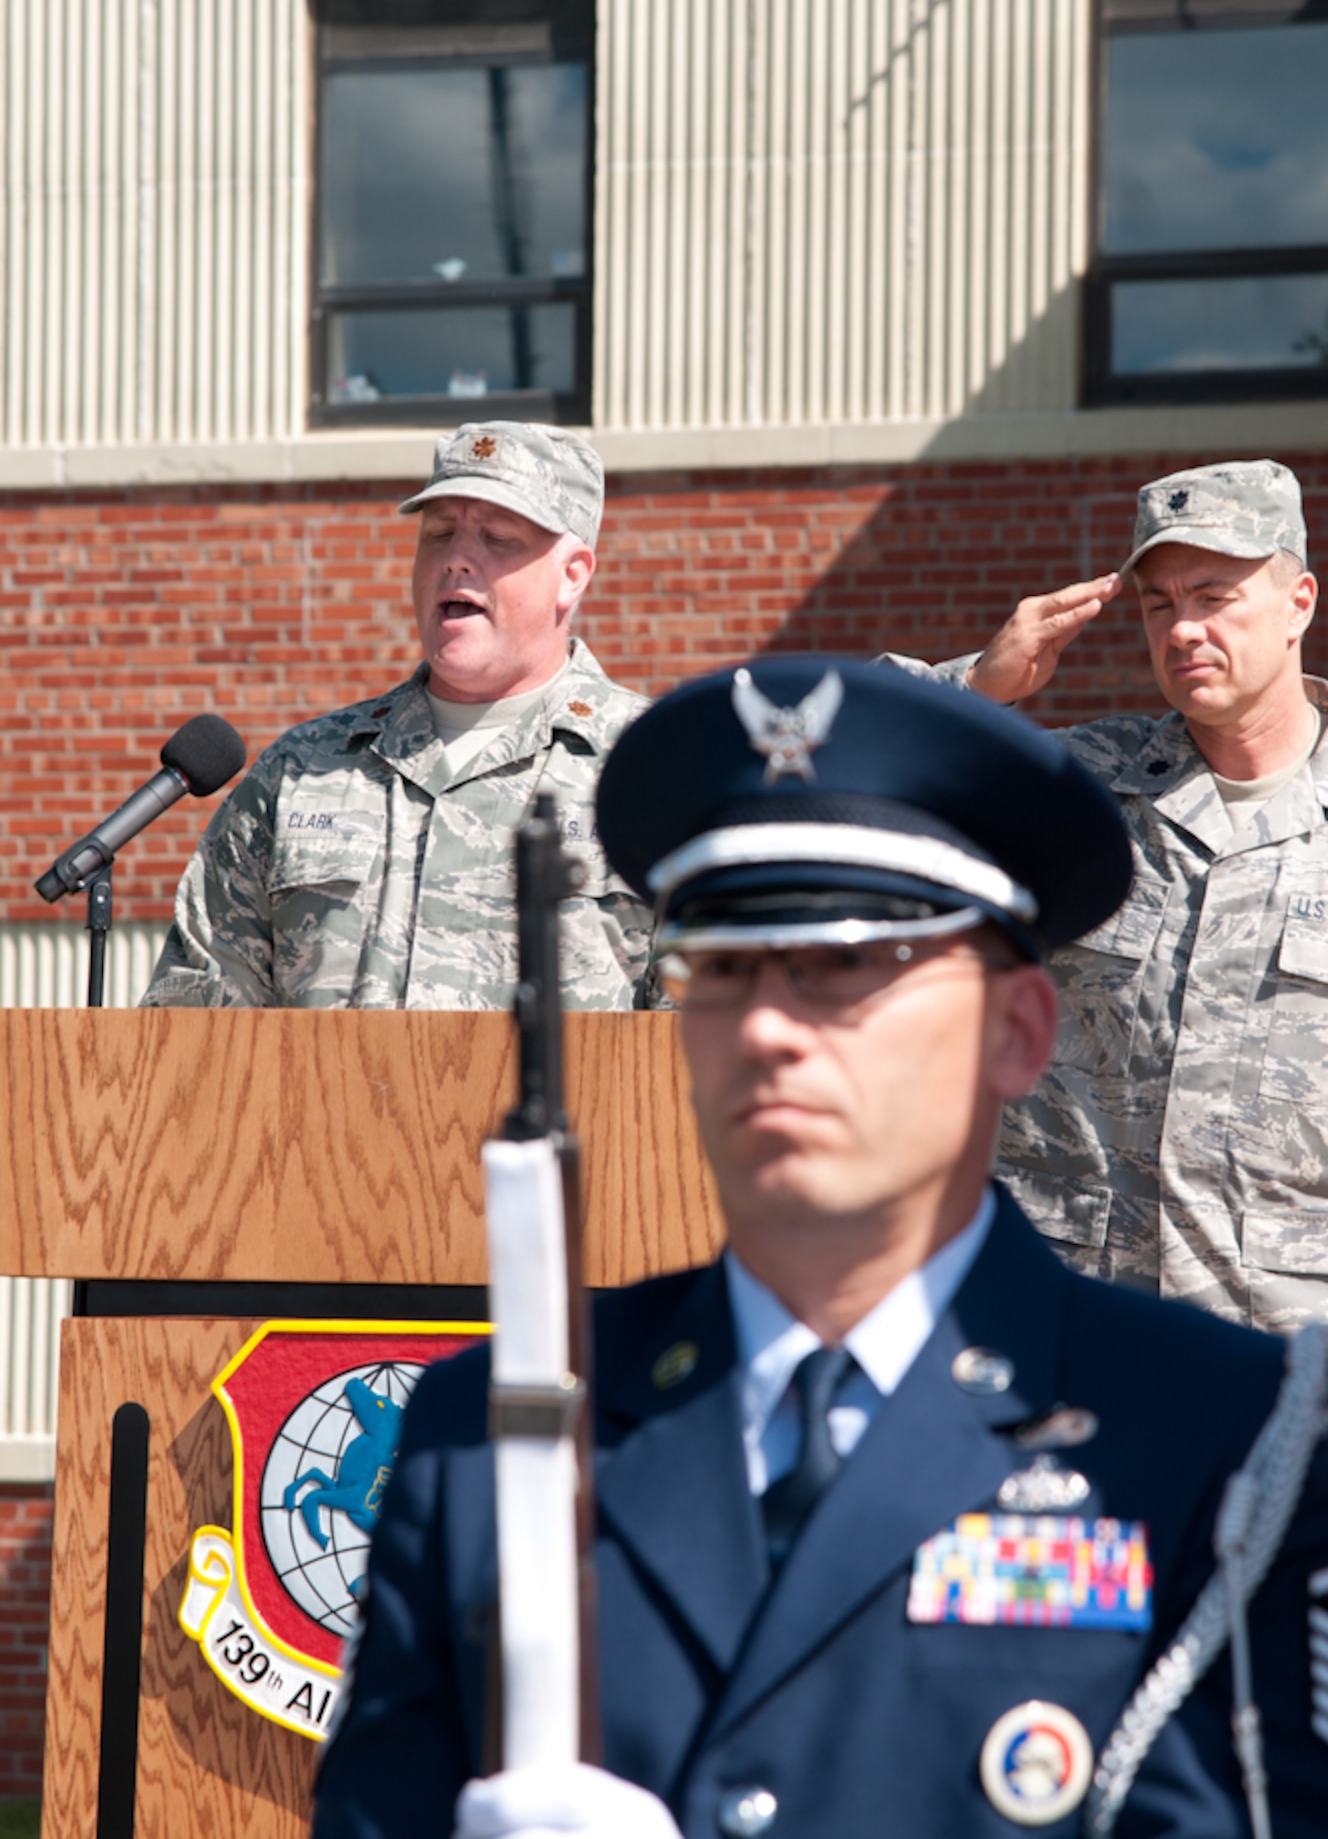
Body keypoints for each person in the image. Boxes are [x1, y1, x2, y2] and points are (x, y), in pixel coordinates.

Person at [312, 656, 1328, 1839]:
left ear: (1017, 1030)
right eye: (721, 966)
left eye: (844, 963)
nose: (764, 1029)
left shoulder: (1225, 1440)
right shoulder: (487, 1432)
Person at [894, 458, 1328, 1332]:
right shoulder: (1074, 790)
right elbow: (824, 790)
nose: (1182, 631)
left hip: (1291, 1355)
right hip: (1074, 1336)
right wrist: (978, 690)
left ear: (1299, 604)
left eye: (1213, 596)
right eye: (1158, 604)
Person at [141, 421, 657, 1010]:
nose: (457, 559)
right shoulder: (303, 773)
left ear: (572, 574)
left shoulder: (656, 773)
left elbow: (707, 1046)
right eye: (439, 533)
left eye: (497, 537)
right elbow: (190, 1042)